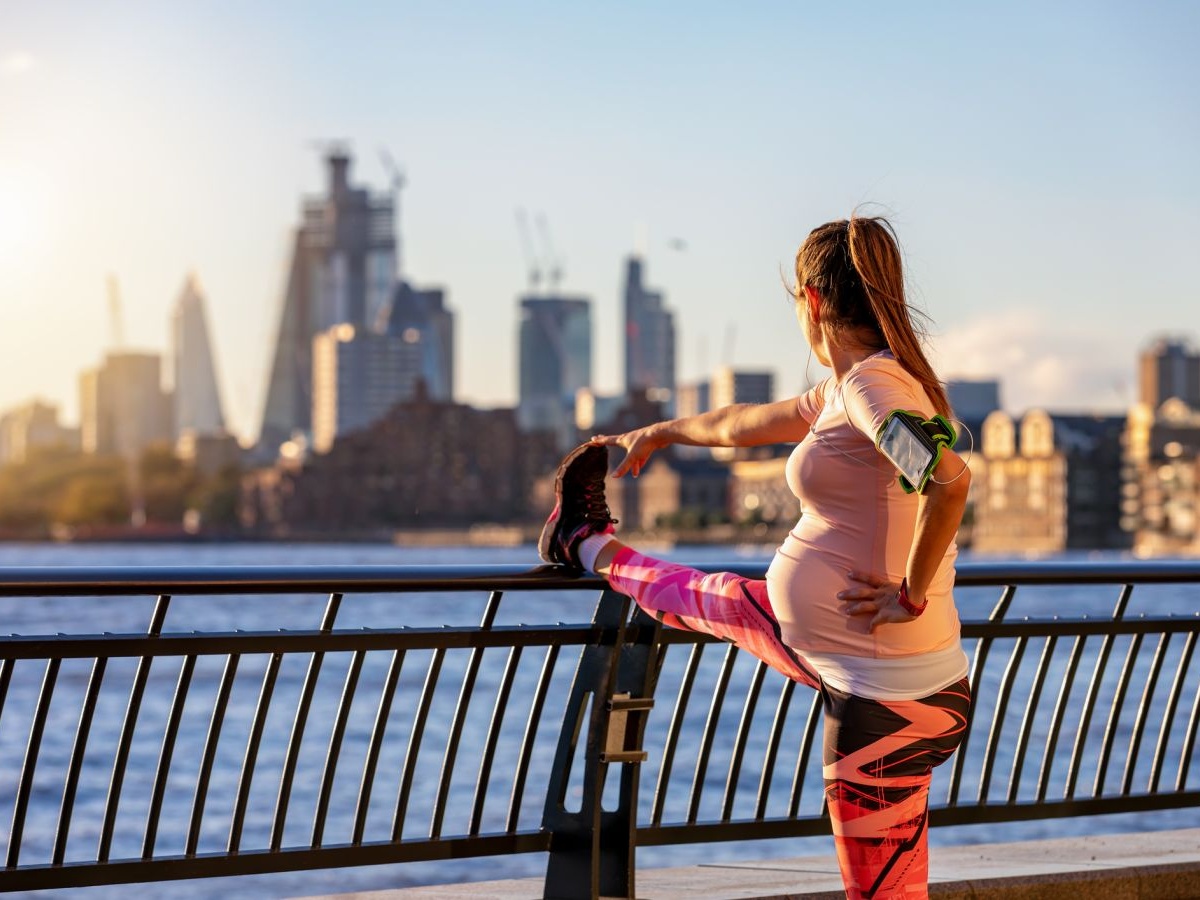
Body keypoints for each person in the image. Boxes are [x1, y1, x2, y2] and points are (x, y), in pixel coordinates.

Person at [538, 215, 973, 900]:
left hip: (883, 699)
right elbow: (742, 424)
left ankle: (583, 541)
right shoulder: (852, 386)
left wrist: (909, 593)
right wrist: (662, 432)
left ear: (814, 301)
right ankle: (584, 540)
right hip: (884, 671)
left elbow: (948, 481)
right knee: (712, 598)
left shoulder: (870, 390)